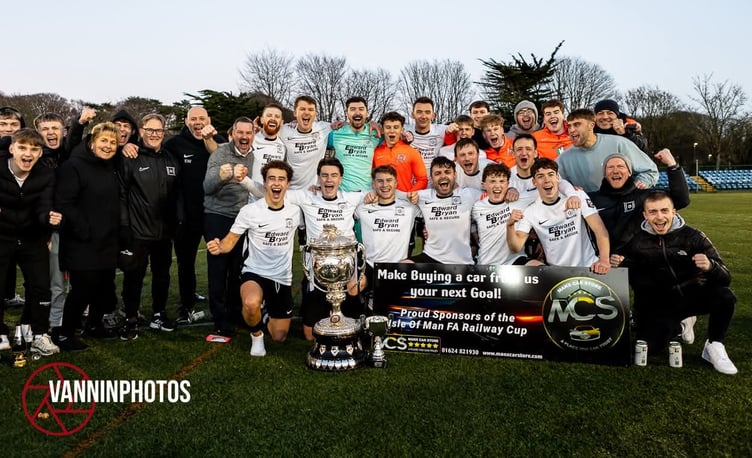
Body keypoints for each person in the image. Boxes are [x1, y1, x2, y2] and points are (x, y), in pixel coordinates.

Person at [611, 190, 737, 374]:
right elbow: (634, 277)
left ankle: (714, 345)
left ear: (674, 212)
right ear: (645, 215)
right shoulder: (636, 242)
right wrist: (619, 263)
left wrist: (710, 267)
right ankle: (680, 325)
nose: (659, 217)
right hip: (661, 304)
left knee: (725, 297)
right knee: (650, 347)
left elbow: (726, 278)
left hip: (692, 295)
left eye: (664, 210)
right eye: (653, 212)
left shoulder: (694, 236)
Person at [206, 160, 301, 357]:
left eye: (281, 179)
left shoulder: (295, 210)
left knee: (279, 336)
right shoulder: (250, 211)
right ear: (264, 183)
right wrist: (219, 246)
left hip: (281, 277)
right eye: (271, 178)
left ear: (288, 184)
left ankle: (264, 316)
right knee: (250, 303)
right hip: (254, 272)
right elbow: (229, 242)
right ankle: (256, 336)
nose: (276, 183)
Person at [53, 122, 121, 351]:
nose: (108, 145)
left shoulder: (111, 167)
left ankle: (94, 325)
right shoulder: (73, 166)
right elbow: (64, 203)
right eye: (104, 141)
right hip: (82, 241)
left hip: (107, 240)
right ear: (92, 143)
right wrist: (84, 229)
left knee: (103, 288)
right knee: (82, 290)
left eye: (113, 142)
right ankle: (65, 333)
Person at [118, 114, 182, 340]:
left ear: (163, 133)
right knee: (134, 277)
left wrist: (177, 220)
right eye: (150, 130)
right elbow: (122, 193)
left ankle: (158, 313)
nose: (154, 134)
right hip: (137, 232)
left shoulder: (171, 159)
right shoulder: (130, 156)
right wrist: (125, 225)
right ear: (142, 131)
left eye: (158, 130)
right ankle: (131, 318)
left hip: (164, 233)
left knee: (162, 275)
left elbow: (177, 194)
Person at [0, 129, 61, 355]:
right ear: (12, 148)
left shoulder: (46, 174)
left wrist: (48, 218)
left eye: (34, 149)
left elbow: (43, 207)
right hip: (2, 236)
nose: (28, 154)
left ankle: (39, 334)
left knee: (41, 288)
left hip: (32, 237)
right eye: (23, 148)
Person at [164, 106, 225, 323]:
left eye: (202, 118)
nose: (198, 122)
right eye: (193, 118)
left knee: (218, 258)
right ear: (186, 121)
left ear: (209, 119)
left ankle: (222, 301)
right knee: (186, 262)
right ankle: (187, 304)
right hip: (186, 215)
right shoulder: (173, 145)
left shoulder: (219, 140)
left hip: (213, 213)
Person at [202, 116, 256, 339]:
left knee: (237, 269)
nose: (244, 136)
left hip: (243, 218)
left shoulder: (255, 155)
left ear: (253, 134)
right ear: (232, 133)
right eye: (240, 132)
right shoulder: (221, 153)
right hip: (218, 216)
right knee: (218, 268)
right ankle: (220, 319)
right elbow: (207, 187)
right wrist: (222, 177)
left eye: (248, 132)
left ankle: (235, 313)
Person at [507, 158, 610, 273]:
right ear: (534, 182)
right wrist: (510, 226)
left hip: (588, 267)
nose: (546, 180)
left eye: (550, 175)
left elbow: (599, 229)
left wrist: (604, 260)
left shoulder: (577, 196)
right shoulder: (531, 211)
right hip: (556, 274)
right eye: (540, 176)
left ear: (557, 177)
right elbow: (516, 247)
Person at [589, 149, 689, 252]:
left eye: (621, 166)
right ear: (605, 174)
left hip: (636, 260)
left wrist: (672, 165)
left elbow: (681, 200)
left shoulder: (643, 196)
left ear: (629, 172)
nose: (615, 171)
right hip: (601, 260)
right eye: (610, 167)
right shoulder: (590, 199)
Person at [350, 165, 419, 297]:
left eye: (389, 180)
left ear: (396, 183)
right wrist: (317, 189)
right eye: (380, 181)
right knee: (353, 287)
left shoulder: (410, 208)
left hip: (397, 265)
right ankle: (357, 313)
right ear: (373, 184)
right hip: (370, 264)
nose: (385, 185)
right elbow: (340, 202)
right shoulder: (362, 208)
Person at [557, 108, 658, 192]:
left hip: (623, 208)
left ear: (591, 125)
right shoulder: (563, 158)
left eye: (577, 124)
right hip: (588, 212)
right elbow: (554, 185)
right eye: (569, 126)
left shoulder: (619, 143)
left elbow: (650, 171)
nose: (572, 130)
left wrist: (635, 186)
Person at [404, 156, 482, 265]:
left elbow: (493, 196)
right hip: (432, 257)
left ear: (455, 175)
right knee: (403, 266)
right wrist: (409, 196)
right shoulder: (423, 196)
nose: (443, 176)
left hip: (462, 262)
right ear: (431, 177)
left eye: (447, 172)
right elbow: (396, 196)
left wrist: (511, 191)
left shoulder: (468, 194)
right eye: (437, 173)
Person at [0, 106, 27, 309]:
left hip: (19, 219)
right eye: (3, 124)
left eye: (13, 124)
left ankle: (9, 294)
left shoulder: (27, 150)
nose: (8, 129)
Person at [471, 163, 524, 265]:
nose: (497, 185)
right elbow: (466, 222)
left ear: (508, 184)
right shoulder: (477, 207)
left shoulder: (519, 200)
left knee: (536, 265)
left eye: (502, 181)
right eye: (492, 181)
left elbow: (539, 191)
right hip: (486, 263)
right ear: (484, 185)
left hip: (514, 260)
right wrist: (474, 233)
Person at [328, 96, 381, 192]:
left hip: (366, 194)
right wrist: (295, 124)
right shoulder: (335, 134)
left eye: (361, 109)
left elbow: (396, 134)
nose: (357, 112)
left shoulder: (376, 134)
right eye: (352, 109)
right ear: (347, 113)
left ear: (367, 113)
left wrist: (407, 135)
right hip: (341, 193)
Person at [280, 95, 331, 190]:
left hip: (314, 191)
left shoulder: (324, 128)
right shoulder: (284, 131)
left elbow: (347, 126)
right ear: (295, 113)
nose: (307, 112)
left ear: (315, 114)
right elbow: (267, 132)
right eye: (302, 109)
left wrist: (368, 124)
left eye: (311, 110)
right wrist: (258, 130)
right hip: (290, 191)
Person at [372, 111, 427, 192]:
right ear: (382, 130)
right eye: (388, 127)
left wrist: (410, 194)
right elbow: (371, 178)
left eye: (396, 127)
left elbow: (422, 180)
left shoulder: (412, 152)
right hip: (381, 200)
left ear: (402, 130)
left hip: (404, 200)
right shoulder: (375, 152)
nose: (392, 131)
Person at [405, 97, 449, 178]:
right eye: (419, 112)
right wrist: (373, 124)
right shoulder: (403, 130)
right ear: (412, 114)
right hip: (410, 182)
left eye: (427, 112)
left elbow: (467, 129)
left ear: (433, 115)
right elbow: (384, 128)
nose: (423, 116)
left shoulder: (442, 130)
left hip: (434, 183)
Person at [250, 103, 287, 184]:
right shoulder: (251, 141)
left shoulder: (283, 146)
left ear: (281, 122)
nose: (273, 119)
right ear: (262, 120)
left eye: (277, 117)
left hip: (272, 195)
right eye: (269, 115)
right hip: (251, 195)